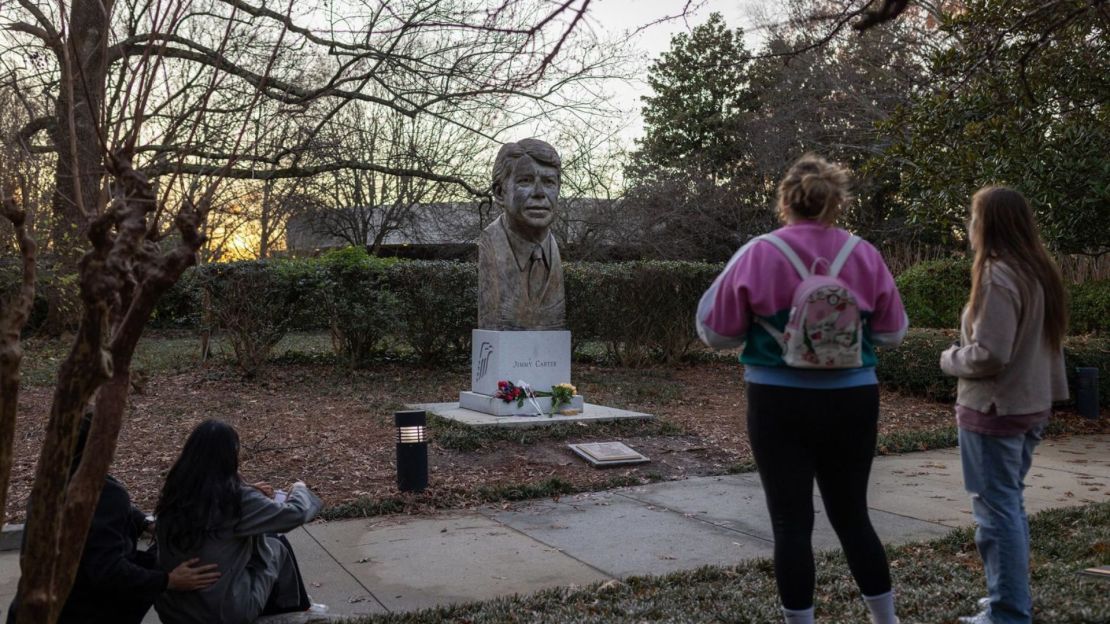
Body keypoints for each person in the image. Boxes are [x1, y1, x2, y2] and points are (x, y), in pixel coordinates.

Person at [696, 154, 908, 624]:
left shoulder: (759, 252)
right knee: (853, 515)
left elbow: (714, 332)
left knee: (791, 523)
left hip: (778, 400)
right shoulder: (864, 254)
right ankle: (886, 620)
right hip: (853, 398)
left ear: (785, 200)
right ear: (836, 201)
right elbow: (894, 333)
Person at [940, 186, 1068, 624]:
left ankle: (1008, 611)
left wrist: (948, 358)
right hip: (1030, 404)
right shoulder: (1037, 270)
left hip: (996, 409)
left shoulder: (997, 274)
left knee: (996, 513)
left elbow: (990, 352)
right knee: (1007, 506)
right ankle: (1006, 597)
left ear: (988, 224)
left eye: (973, 218)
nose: (970, 228)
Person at [5, 414, 220, 624]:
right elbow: (109, 572)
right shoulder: (104, 494)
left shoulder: (49, 484)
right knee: (161, 559)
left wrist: (145, 523)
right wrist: (170, 581)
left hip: (31, 607)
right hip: (82, 611)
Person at [153, 420, 325, 624]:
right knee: (276, 546)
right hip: (221, 613)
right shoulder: (233, 500)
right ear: (230, 455)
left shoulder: (176, 492)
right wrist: (299, 488)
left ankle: (295, 605)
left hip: (175, 612)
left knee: (260, 542)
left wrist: (250, 489)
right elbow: (294, 515)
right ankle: (295, 610)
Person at [477, 138, 566, 331]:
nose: (539, 193)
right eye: (525, 181)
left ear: (558, 189)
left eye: (549, 182)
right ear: (500, 193)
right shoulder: (492, 245)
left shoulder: (553, 250)